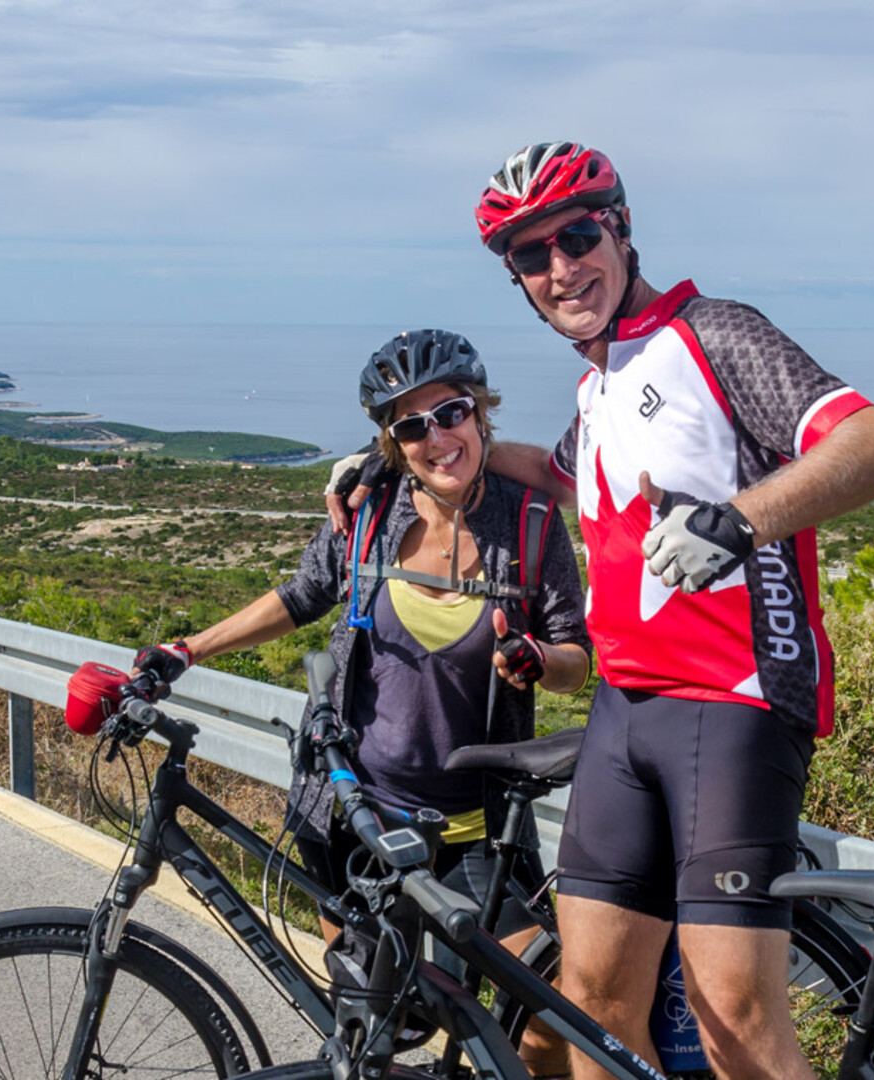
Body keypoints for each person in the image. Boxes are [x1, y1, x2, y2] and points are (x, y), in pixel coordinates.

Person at [364, 143, 874, 1080]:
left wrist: (739, 521)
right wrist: (391, 460)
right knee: (591, 1011)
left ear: (620, 229)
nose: (560, 268)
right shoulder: (602, 383)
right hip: (624, 710)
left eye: (576, 237)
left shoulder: (713, 334)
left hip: (732, 704)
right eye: (531, 257)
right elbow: (556, 473)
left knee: (735, 1022)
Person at [135, 329, 591, 1072]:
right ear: (391, 442)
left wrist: (539, 660)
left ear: (480, 413)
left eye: (450, 413)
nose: (436, 438)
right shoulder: (369, 512)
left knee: (539, 1023)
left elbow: (576, 660)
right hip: (356, 819)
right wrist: (188, 649)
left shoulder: (532, 524)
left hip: (473, 829)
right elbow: (301, 595)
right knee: (372, 1031)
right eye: (411, 427)